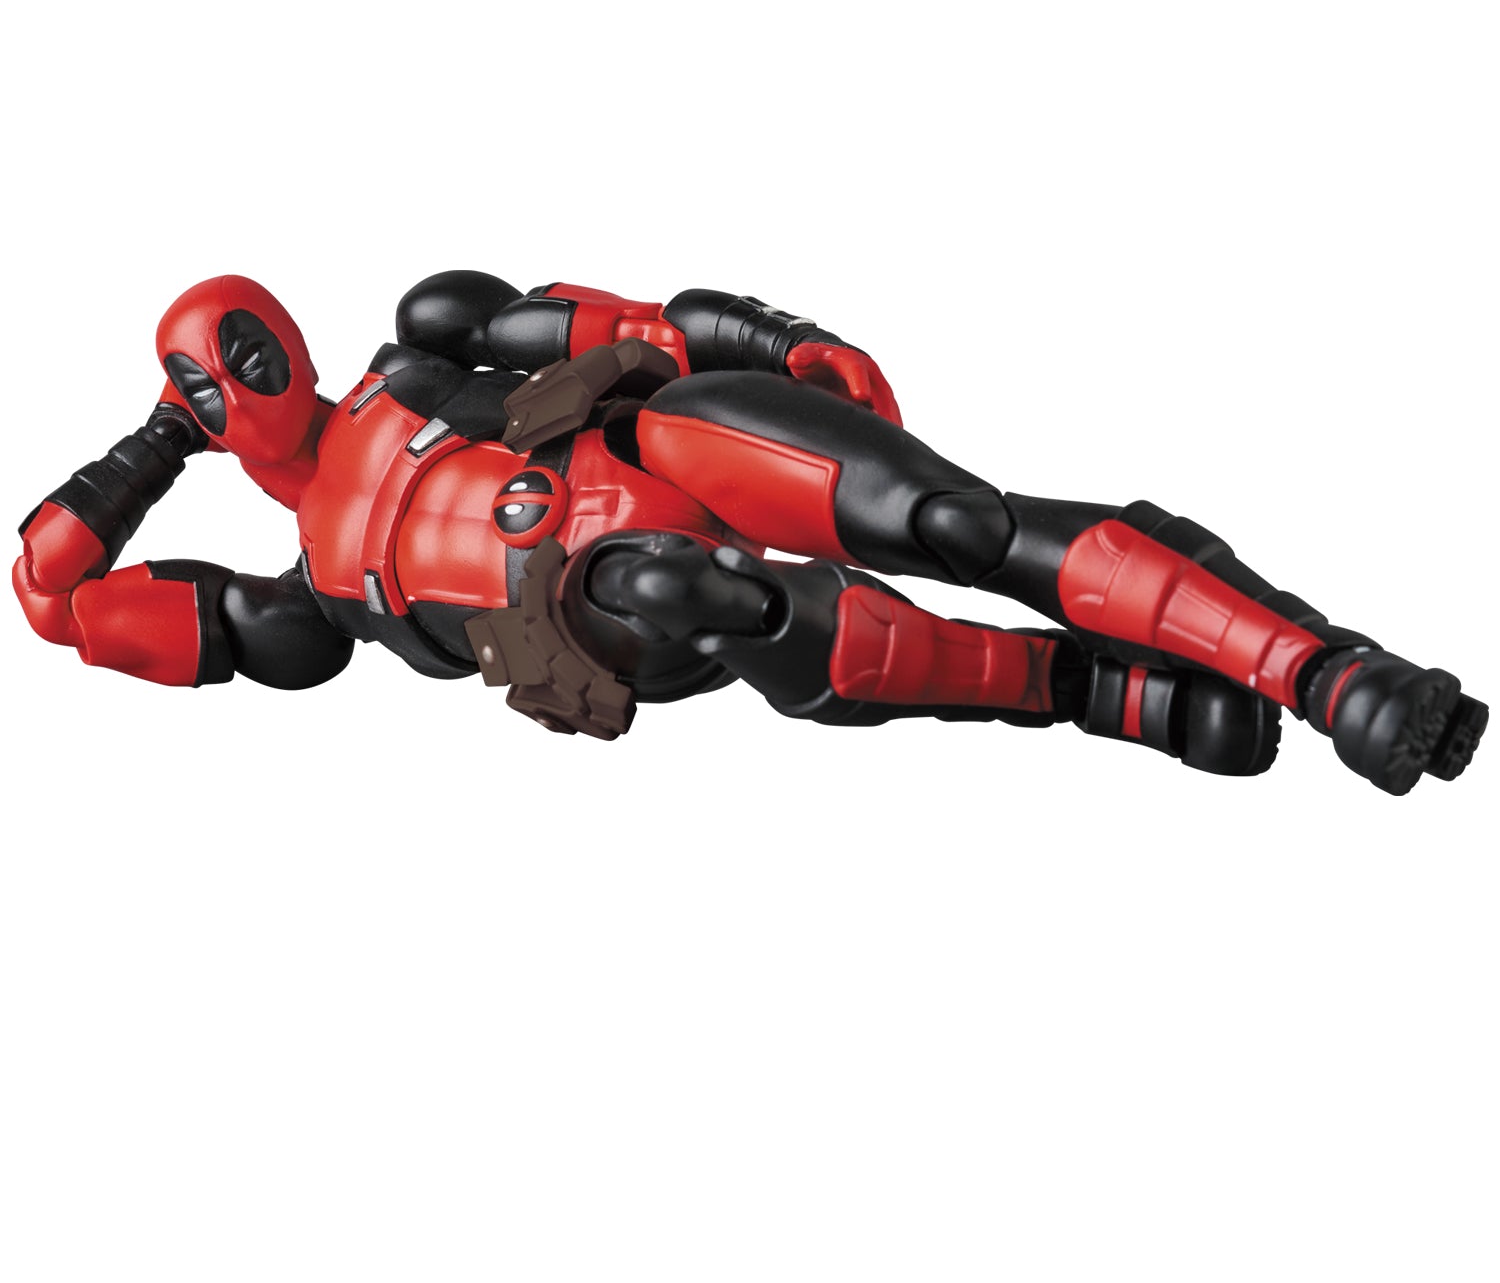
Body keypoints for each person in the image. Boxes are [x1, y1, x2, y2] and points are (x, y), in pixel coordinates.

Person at [14, 270, 1487, 795]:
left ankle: (1325, 671)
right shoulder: (308, 601)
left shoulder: (420, 347)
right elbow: (54, 598)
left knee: (950, 516)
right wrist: (151, 446)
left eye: (242, 342)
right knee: (698, 599)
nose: (240, 374)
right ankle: (1090, 690)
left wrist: (771, 339)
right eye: (206, 377)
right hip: (595, 602)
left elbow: (622, 322)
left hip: (652, 443)